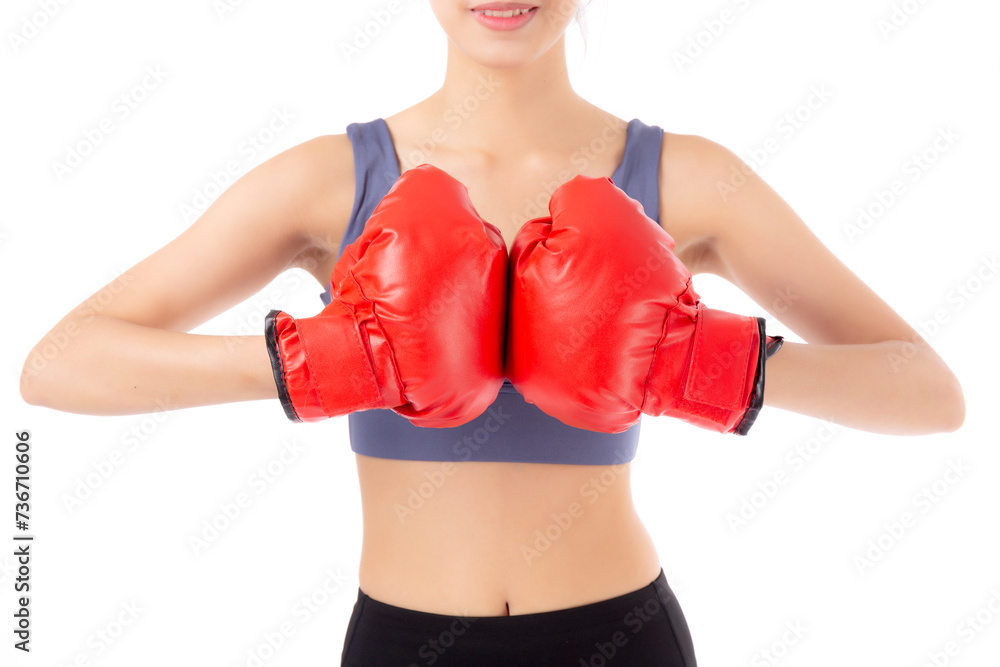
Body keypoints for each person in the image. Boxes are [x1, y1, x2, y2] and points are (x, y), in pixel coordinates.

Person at [19, 1, 966, 664]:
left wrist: (702, 360)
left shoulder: (686, 178)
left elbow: (929, 390)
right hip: (401, 640)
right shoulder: (335, 179)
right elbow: (58, 365)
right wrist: (318, 364)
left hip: (619, 638)